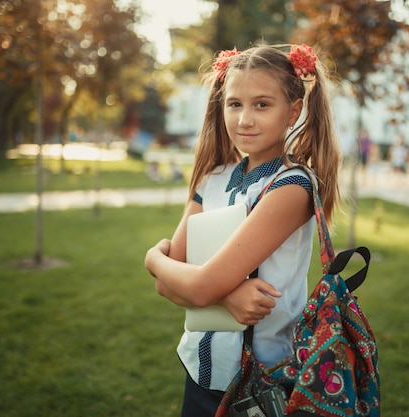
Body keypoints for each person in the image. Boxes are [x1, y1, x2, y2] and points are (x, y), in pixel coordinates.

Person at [144, 44, 342, 417]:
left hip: (260, 383)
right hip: (199, 374)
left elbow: (194, 284)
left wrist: (155, 258)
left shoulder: (292, 187)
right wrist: (227, 297)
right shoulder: (213, 178)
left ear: (293, 111)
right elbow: (165, 284)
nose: (244, 119)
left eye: (262, 105)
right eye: (235, 104)